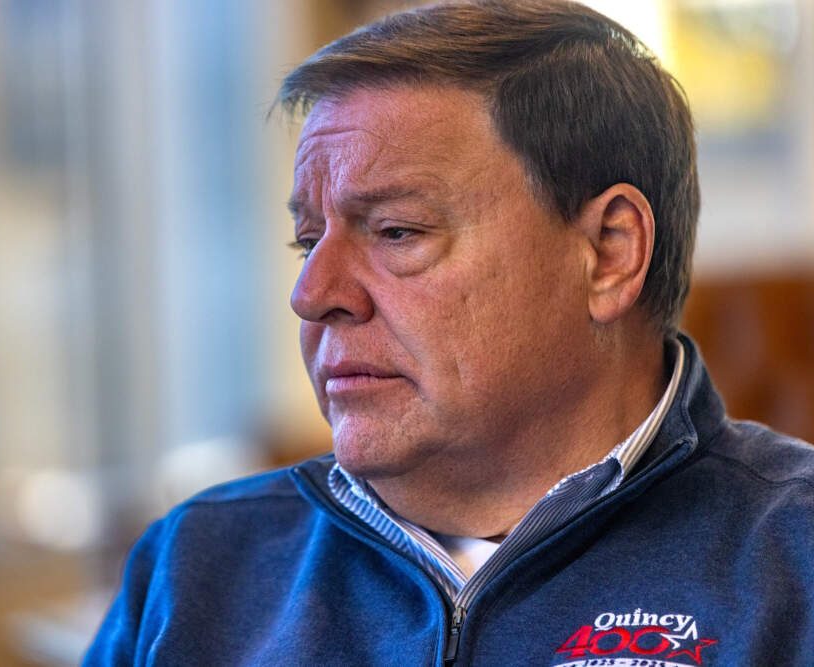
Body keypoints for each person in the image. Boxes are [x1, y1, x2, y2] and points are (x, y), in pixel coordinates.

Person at [85, 1, 814, 664]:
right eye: (308, 242)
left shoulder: (797, 557)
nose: (312, 295)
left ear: (608, 254)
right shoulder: (197, 564)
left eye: (397, 231)